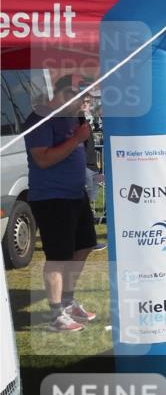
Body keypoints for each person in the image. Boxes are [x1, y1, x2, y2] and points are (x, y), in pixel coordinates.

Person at [24, 76, 101, 332]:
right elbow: (43, 159)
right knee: (58, 256)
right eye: (80, 96)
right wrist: (76, 139)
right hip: (51, 197)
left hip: (75, 194)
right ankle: (57, 314)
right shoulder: (41, 118)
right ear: (64, 93)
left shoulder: (71, 117)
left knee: (85, 246)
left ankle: (67, 301)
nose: (84, 102)